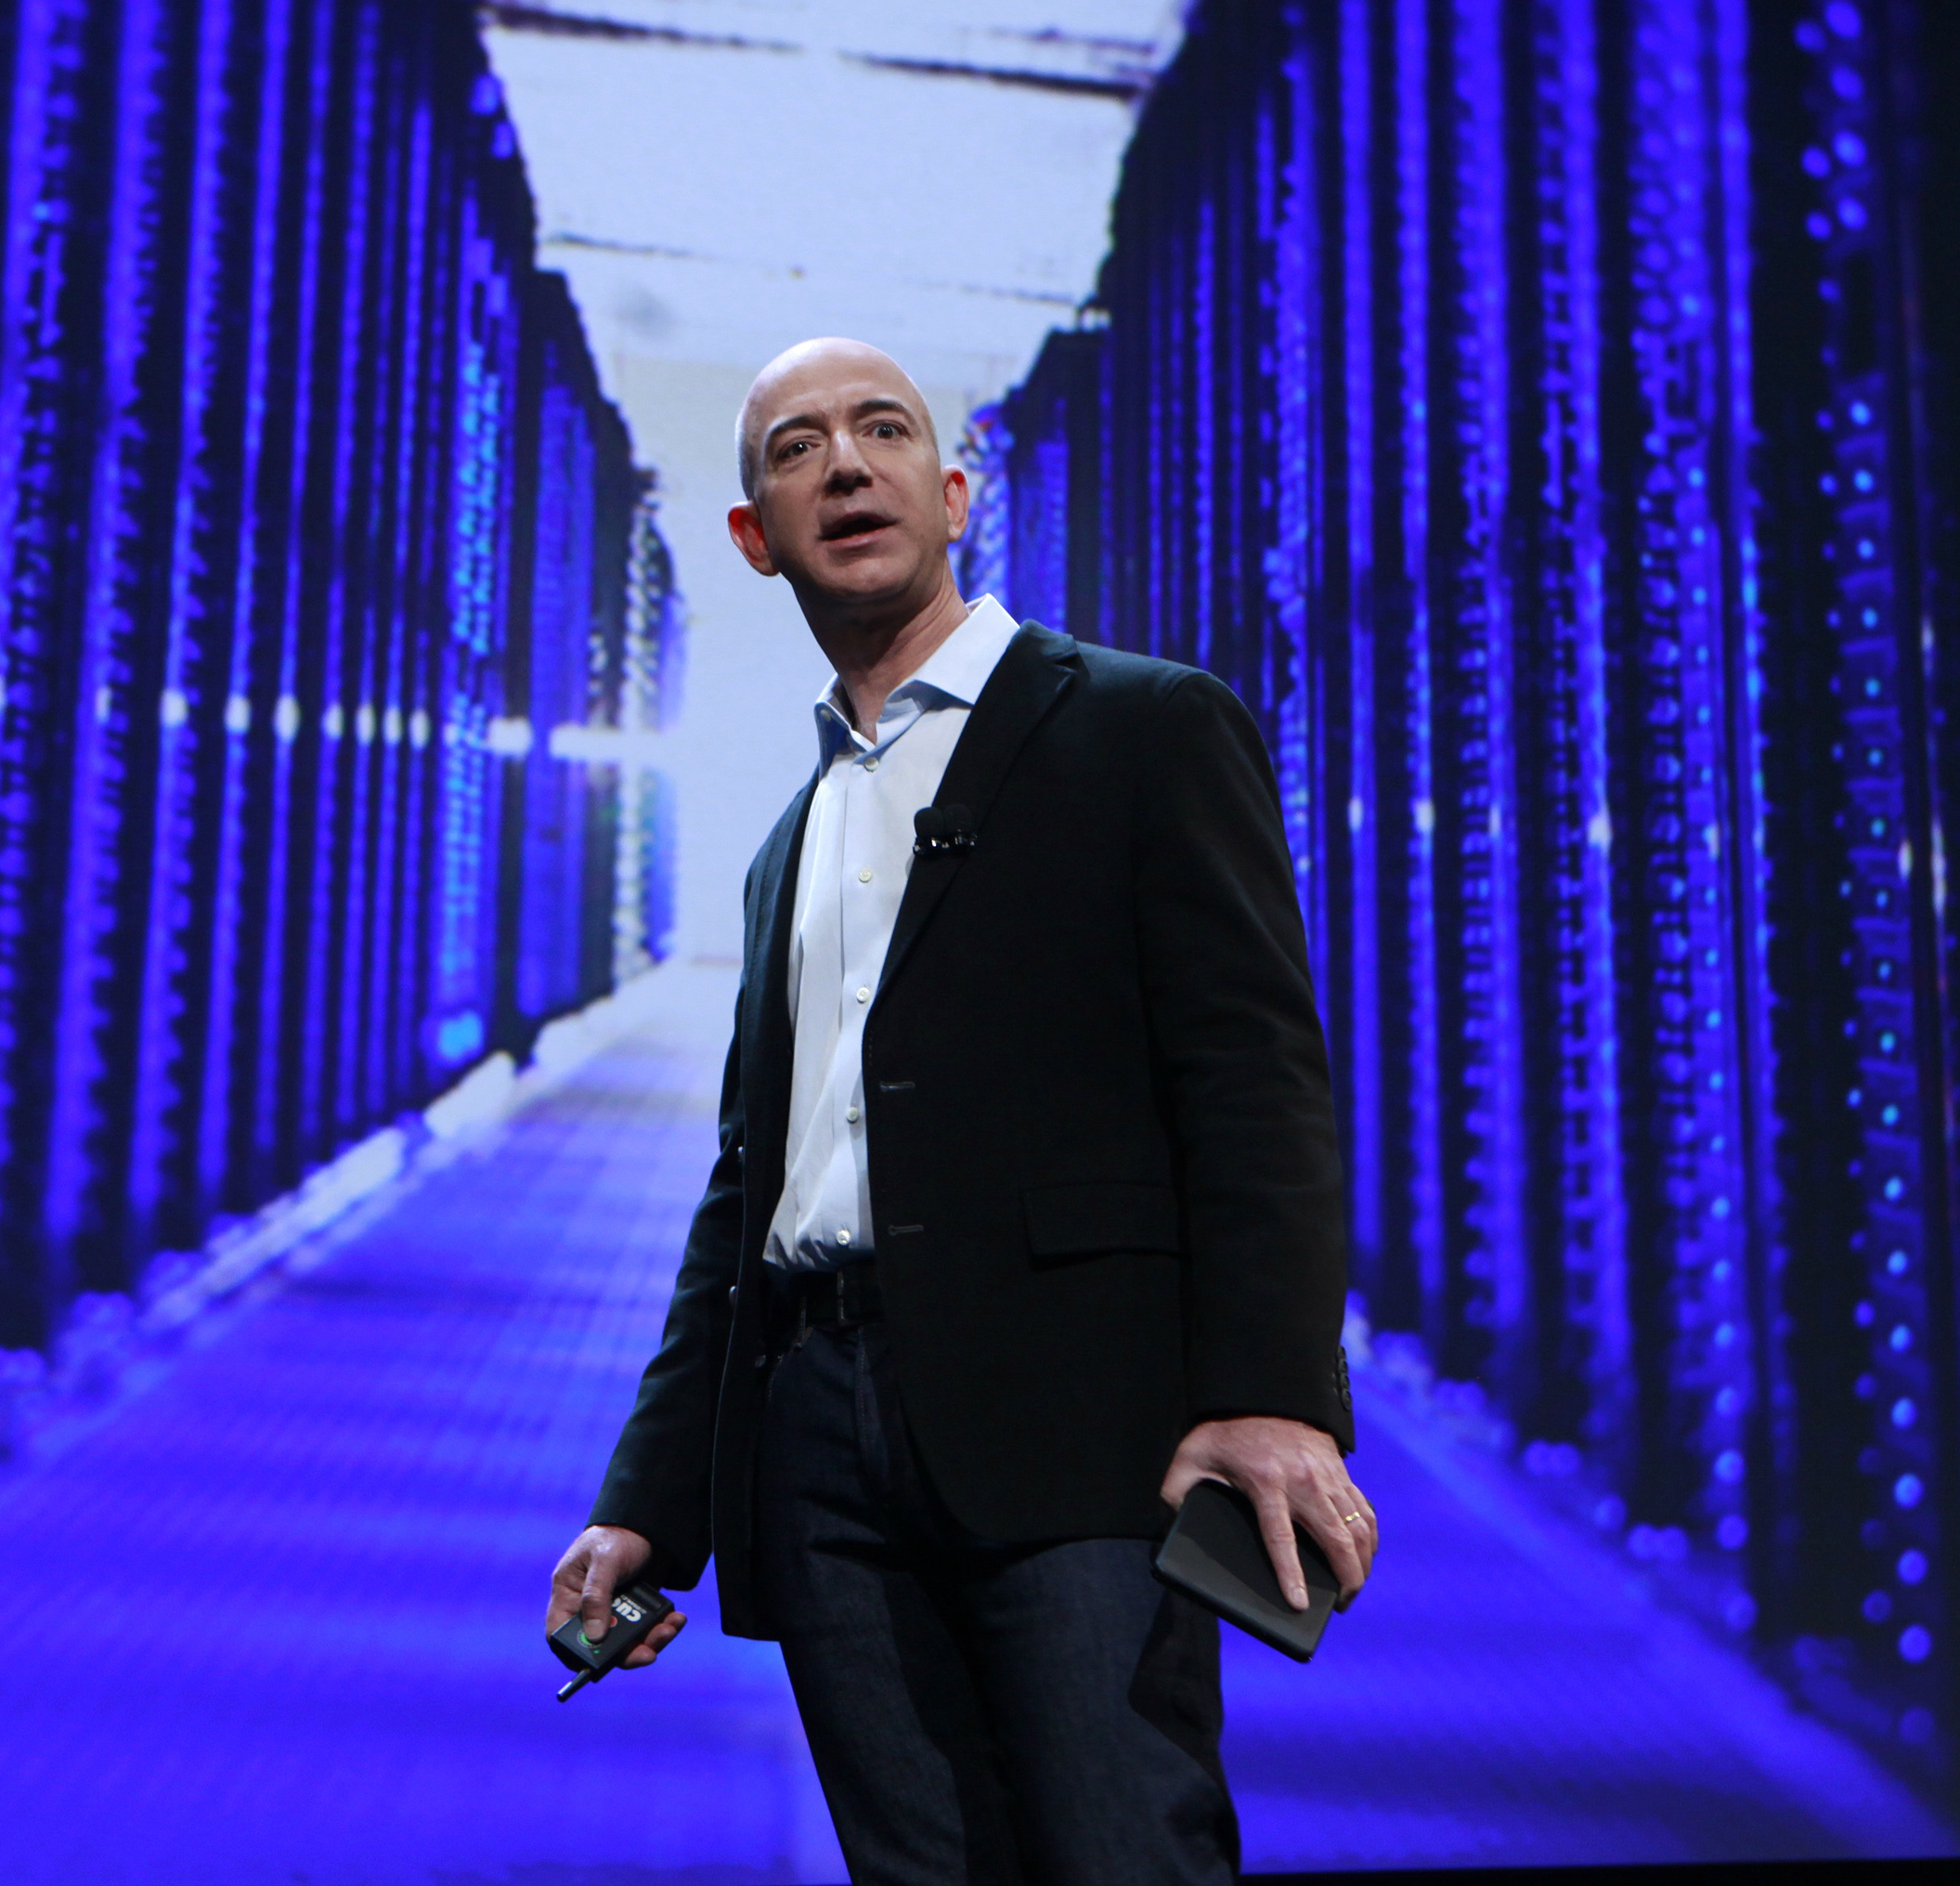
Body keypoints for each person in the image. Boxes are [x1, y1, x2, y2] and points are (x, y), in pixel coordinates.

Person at [542, 337, 1374, 1886]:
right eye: (797, 449)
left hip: (1074, 1424)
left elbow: (1256, 1080)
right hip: (814, 1445)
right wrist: (647, 1503)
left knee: (1122, 1847)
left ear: (955, 492)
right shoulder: (789, 838)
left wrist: (1273, 1393)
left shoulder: (1141, 726)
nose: (845, 465)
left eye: (883, 432)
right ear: (754, 536)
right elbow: (751, 1189)